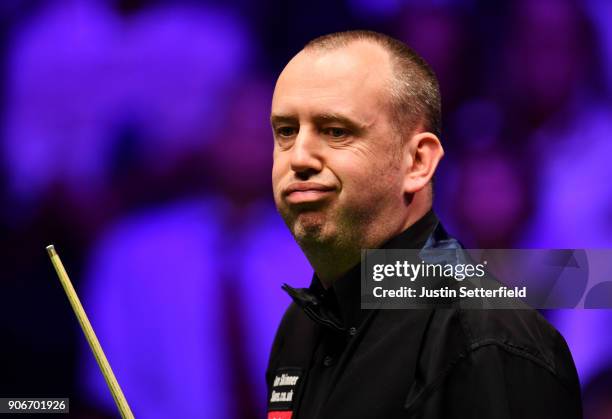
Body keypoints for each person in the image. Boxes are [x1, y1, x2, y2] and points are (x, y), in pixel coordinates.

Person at [266, 30, 582, 419]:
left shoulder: (486, 338)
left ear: (417, 163)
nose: (299, 157)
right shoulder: (298, 325)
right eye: (286, 131)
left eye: (336, 131)